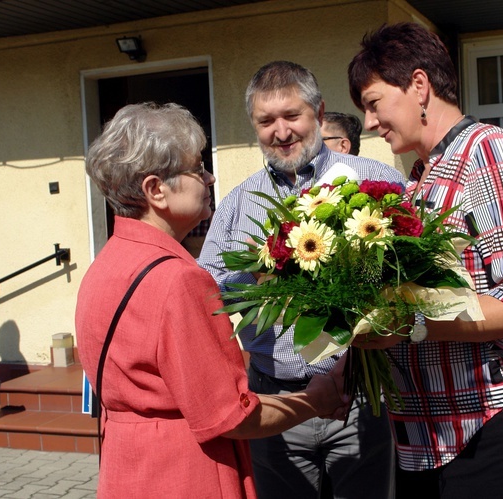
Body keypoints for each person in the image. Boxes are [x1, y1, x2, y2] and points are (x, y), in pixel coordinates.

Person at [76, 102, 350, 499]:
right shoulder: (179, 279)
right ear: (156, 189)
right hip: (184, 472)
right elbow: (230, 416)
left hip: (127, 466)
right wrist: (315, 400)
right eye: (196, 167)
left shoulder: (105, 263)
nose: (209, 176)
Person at [347, 23, 503, 498]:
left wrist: (405, 323)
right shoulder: (420, 177)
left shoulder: (486, 152)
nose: (368, 123)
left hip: (491, 421)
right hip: (431, 435)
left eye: (372, 103)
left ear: (419, 86)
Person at [197, 61, 404, 499]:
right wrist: (256, 283)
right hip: (275, 404)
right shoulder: (238, 204)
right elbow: (205, 293)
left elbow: (408, 278)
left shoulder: (376, 181)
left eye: (292, 116)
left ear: (318, 112)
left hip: (360, 397)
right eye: (266, 121)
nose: (281, 131)